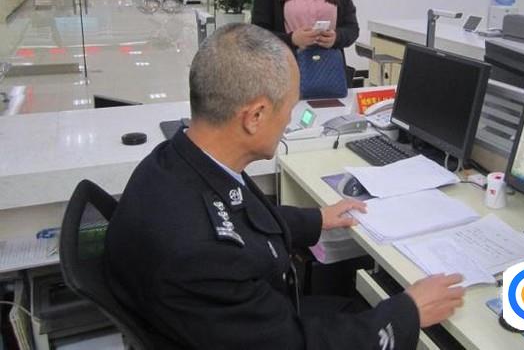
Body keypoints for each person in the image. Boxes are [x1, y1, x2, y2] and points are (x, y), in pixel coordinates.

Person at [105, 24, 465, 349]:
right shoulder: (203, 257)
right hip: (258, 332)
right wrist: (407, 312)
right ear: (255, 116)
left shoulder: (175, 159)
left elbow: (239, 219)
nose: (291, 119)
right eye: (290, 107)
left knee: (350, 304)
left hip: (224, 325)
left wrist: (317, 219)